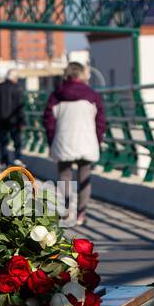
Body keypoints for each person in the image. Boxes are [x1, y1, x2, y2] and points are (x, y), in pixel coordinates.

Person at [44, 61, 105, 227]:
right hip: (87, 141)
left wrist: (52, 141)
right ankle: (81, 214)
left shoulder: (56, 95)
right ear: (81, 75)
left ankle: (65, 212)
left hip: (63, 141)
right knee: (85, 177)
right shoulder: (93, 95)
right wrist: (97, 141)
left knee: (64, 178)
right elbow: (101, 122)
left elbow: (48, 122)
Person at [0, 70, 27, 166]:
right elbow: (20, 106)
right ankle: (17, 158)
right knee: (17, 140)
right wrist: (22, 120)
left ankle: (4, 160)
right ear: (14, 78)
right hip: (14, 120)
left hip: (0, 120)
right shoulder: (17, 88)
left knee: (3, 141)